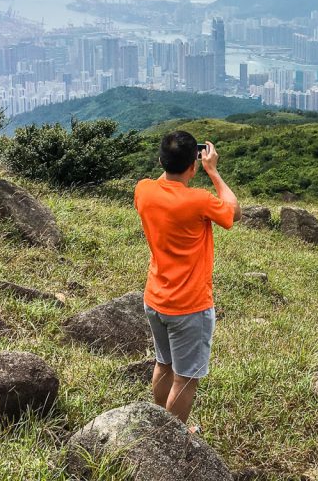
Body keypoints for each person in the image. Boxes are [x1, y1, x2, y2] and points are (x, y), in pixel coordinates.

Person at [134, 130, 241, 426]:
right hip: (189, 306)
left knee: (164, 364)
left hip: (155, 299)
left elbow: (164, 182)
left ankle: (157, 424)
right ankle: (172, 435)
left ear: (160, 161)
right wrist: (214, 171)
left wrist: (176, 163)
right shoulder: (199, 201)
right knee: (186, 378)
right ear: (193, 166)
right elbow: (234, 213)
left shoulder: (143, 189)